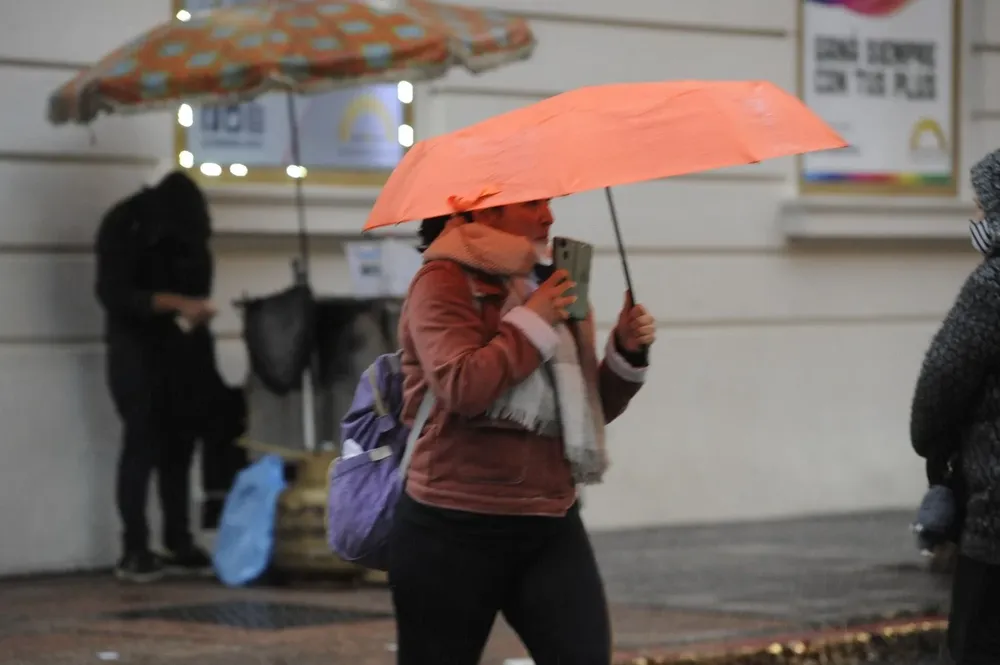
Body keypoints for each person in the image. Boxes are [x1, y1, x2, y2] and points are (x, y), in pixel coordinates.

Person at [389, 201, 656, 664]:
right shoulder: (443, 280)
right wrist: (534, 320)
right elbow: (462, 387)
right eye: (532, 204)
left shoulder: (554, 283)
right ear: (483, 210)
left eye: (548, 203)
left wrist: (626, 353)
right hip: (452, 526)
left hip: (549, 520)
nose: (548, 217)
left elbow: (584, 410)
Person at [95, 170, 224, 583]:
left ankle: (177, 539)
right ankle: (135, 546)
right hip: (138, 353)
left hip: (181, 352)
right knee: (143, 444)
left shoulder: (175, 228)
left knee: (179, 447)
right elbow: (115, 294)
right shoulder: (129, 225)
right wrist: (176, 304)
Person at [910, 149, 1000, 663]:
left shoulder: (992, 287)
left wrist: (934, 449)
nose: (974, 216)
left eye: (982, 207)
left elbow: (941, 385)